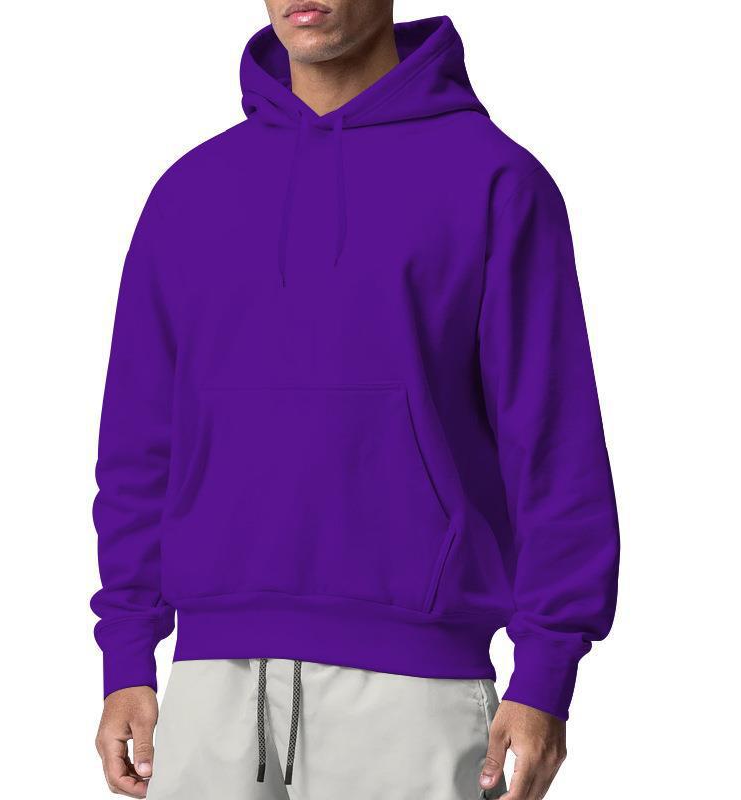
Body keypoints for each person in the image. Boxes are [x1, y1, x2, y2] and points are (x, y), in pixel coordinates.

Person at [92, 2, 620, 798]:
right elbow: (140, 444)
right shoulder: (190, 193)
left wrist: (546, 670)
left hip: (415, 688)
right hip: (206, 688)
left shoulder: (494, 182)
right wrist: (127, 655)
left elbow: (552, 443)